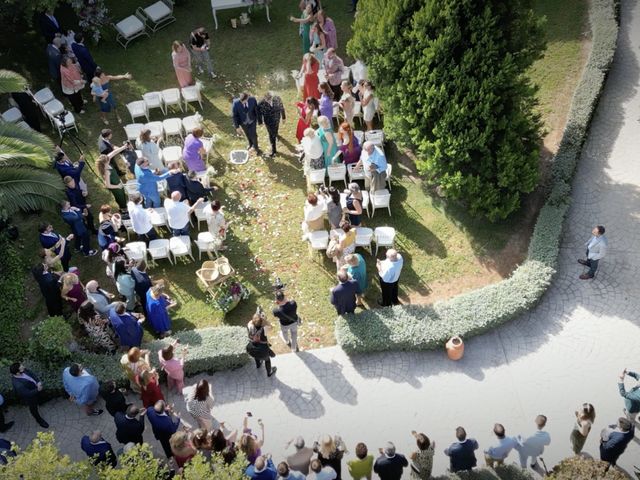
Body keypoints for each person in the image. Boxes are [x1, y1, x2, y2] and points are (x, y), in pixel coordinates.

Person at [9, 362, 49, 428]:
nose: (24, 367)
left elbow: (31, 374)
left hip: (36, 388)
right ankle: (39, 420)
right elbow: (27, 394)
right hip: (30, 397)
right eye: (21, 368)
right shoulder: (18, 385)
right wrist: (38, 390)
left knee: (40, 397)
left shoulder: (23, 370)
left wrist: (38, 381)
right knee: (33, 409)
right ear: (17, 373)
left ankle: (41, 401)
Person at [258, 92, 287, 157]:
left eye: (270, 99)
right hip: (268, 121)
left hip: (277, 119)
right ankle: (274, 150)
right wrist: (260, 122)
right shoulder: (260, 103)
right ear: (265, 98)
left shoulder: (277, 98)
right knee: (271, 135)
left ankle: (276, 134)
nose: (269, 101)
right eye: (267, 100)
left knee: (275, 131)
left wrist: (283, 117)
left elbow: (282, 107)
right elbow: (259, 113)